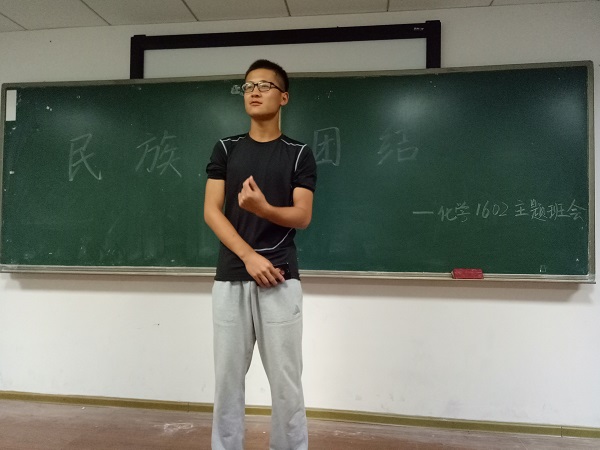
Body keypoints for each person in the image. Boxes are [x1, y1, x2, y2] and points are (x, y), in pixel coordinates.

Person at [204, 59, 317, 450]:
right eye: (249, 86)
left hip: (280, 278)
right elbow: (211, 212)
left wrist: (263, 208)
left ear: (283, 97)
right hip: (231, 276)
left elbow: (302, 216)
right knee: (227, 381)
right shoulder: (226, 149)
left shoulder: (299, 154)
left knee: (286, 383)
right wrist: (248, 256)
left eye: (265, 85)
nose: (254, 91)